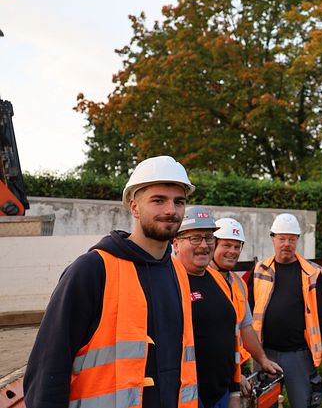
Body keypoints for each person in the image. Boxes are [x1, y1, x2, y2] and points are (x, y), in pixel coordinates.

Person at [24, 155, 199, 408]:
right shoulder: (93, 270)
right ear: (134, 207)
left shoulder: (178, 271)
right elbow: (48, 370)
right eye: (158, 200)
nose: (171, 210)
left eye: (179, 201)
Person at [173, 207, 279, 408]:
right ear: (176, 243)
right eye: (195, 238)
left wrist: (234, 389)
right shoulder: (168, 282)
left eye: (208, 238)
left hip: (221, 393)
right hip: (185, 396)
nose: (204, 245)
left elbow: (234, 336)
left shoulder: (223, 282)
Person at [248, 213, 322, 408]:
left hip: (299, 355)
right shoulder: (259, 270)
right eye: (282, 238)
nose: (286, 243)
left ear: (297, 240)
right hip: (265, 354)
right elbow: (247, 310)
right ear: (273, 239)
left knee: (302, 403)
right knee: (264, 404)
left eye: (291, 239)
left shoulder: (311, 273)